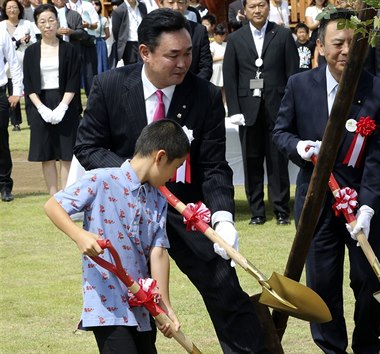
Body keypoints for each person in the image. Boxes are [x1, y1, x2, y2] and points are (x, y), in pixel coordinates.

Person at [73, 9, 267, 352]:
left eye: (188, 53)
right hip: (128, 217)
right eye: (173, 55)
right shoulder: (111, 86)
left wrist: (222, 217)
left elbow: (214, 166)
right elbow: (87, 146)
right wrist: (132, 175)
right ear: (145, 53)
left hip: (185, 210)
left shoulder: (205, 95)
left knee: (226, 291)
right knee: (137, 307)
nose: (183, 63)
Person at [272, 9, 380, 353]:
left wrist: (368, 208)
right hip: (317, 205)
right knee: (322, 283)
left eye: (352, 43)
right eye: (337, 43)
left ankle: (367, 343)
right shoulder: (301, 85)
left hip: (362, 206)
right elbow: (281, 132)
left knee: (369, 280)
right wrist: (299, 146)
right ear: (321, 47)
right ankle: (331, 347)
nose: (345, 51)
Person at [44, 120, 188, 353]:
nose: (174, 176)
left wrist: (165, 306)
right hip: (107, 307)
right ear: (160, 157)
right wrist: (80, 235)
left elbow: (158, 252)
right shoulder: (101, 179)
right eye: (176, 166)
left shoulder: (158, 198)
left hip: (142, 306)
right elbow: (53, 206)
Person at [223, 0, 298, 226]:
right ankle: (257, 211)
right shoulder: (235, 38)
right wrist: (234, 109)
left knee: (278, 162)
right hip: (248, 111)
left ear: (268, 8)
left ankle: (281, 210)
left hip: (277, 109)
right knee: (252, 161)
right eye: (252, 6)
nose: (257, 10)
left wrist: (291, 110)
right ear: (244, 10)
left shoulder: (283, 35)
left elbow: (293, 75)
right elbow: (230, 76)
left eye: (261, 5)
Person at [24, 4, 81, 197]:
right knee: (46, 153)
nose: (47, 25)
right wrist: (41, 108)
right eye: (42, 21)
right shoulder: (31, 52)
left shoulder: (70, 49)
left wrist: (63, 106)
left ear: (57, 21)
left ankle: (66, 196)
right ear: (37, 25)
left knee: (66, 154)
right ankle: (54, 196)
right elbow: (29, 83)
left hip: (66, 101)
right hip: (40, 103)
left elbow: (74, 80)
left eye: (51, 20)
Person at [0, 0, 36, 132]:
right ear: (5, 10)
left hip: (25, 62)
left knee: (29, 93)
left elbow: (34, 42)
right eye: (9, 8)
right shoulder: (1, 26)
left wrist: (26, 41)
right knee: (11, 92)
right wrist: (18, 41)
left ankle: (32, 120)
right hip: (7, 66)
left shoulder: (27, 24)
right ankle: (15, 122)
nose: (12, 10)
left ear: (20, 9)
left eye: (15, 7)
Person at [160, 0, 212, 81]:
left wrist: (192, 88)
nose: (176, 7)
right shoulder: (152, 30)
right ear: (161, 4)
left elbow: (206, 67)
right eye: (171, 3)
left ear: (186, 4)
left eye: (180, 2)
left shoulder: (199, 31)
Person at [0, 21, 23, 202]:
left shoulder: (1, 32)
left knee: (1, 141)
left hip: (0, 92)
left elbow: (13, 62)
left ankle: (5, 185)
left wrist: (16, 92)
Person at [111, 0, 147, 65]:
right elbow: (116, 31)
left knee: (142, 66)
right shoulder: (119, 10)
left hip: (141, 42)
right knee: (131, 68)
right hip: (128, 45)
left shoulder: (142, 7)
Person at [92, 0, 110, 74]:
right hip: (89, 42)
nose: (95, 6)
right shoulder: (87, 18)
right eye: (93, 4)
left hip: (100, 42)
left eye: (97, 4)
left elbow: (108, 34)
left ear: (100, 6)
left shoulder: (103, 19)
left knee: (101, 63)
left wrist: (101, 40)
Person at [210, 23, 226, 103]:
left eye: (223, 36)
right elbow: (210, 59)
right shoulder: (212, 46)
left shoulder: (226, 44)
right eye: (220, 36)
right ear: (215, 35)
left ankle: (225, 105)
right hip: (216, 69)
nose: (222, 38)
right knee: (217, 88)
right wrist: (222, 57)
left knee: (225, 88)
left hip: (225, 68)